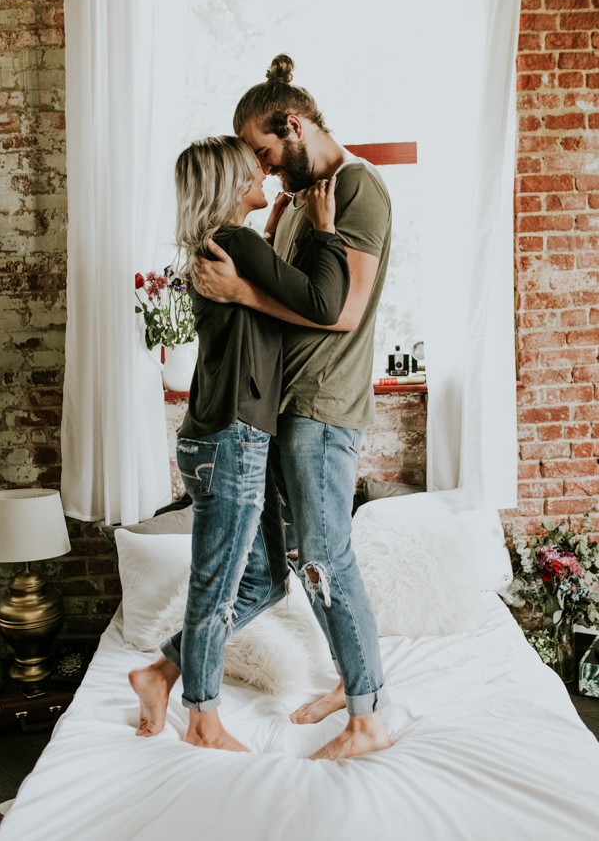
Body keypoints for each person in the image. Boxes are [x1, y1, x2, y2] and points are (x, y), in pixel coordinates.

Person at [192, 54, 394, 760]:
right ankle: (353, 678)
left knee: (327, 557)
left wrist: (242, 293)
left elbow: (339, 311)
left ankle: (370, 719)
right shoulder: (295, 204)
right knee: (305, 558)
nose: (265, 169)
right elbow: (285, 305)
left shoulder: (359, 189)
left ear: (297, 125)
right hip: (284, 404)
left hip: (322, 404)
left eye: (267, 154)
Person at [129, 134, 350, 752]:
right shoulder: (238, 243)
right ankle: (202, 720)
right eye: (250, 166)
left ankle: (160, 672)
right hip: (233, 441)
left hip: (220, 439)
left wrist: (277, 222)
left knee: (262, 584)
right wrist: (326, 230)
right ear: (228, 184)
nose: (263, 169)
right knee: (216, 587)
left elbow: (265, 309)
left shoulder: (219, 245)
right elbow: (323, 301)